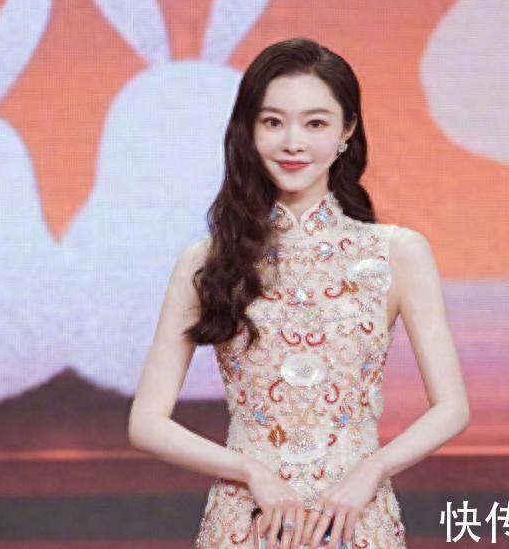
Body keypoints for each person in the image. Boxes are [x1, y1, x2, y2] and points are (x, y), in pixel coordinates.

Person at [128, 38, 469, 549]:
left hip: (356, 520)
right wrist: (249, 470)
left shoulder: (396, 252)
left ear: (346, 131)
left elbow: (452, 408)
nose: (293, 143)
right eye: (273, 122)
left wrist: (371, 471)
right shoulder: (209, 259)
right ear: (248, 130)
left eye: (315, 123)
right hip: (247, 521)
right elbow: (146, 423)